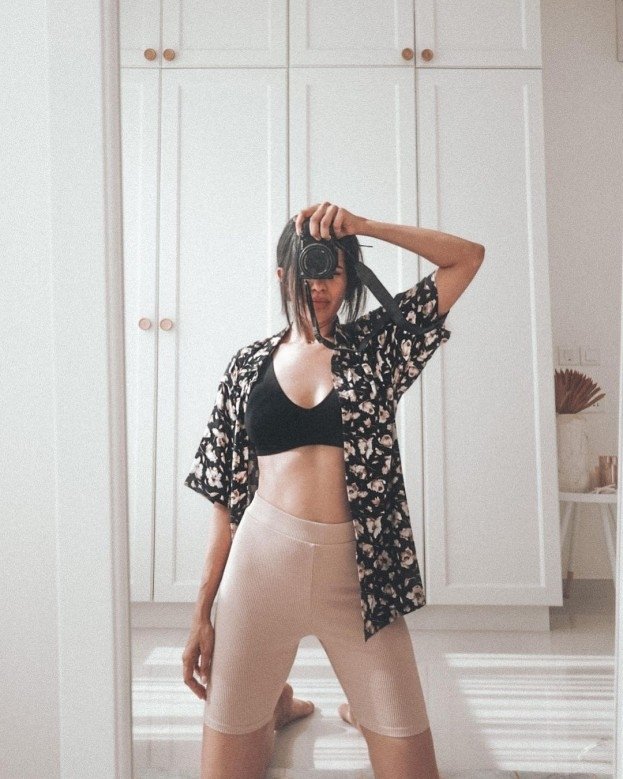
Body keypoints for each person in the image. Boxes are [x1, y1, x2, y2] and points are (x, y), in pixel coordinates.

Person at [182, 202, 485, 779]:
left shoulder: (378, 346)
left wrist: (365, 228)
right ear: (282, 275)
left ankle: (349, 706)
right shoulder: (247, 366)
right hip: (259, 571)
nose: (318, 284)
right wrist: (201, 613)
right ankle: (276, 705)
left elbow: (466, 259)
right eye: (306, 268)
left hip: (362, 579)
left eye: (332, 269)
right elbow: (224, 497)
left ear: (351, 279)